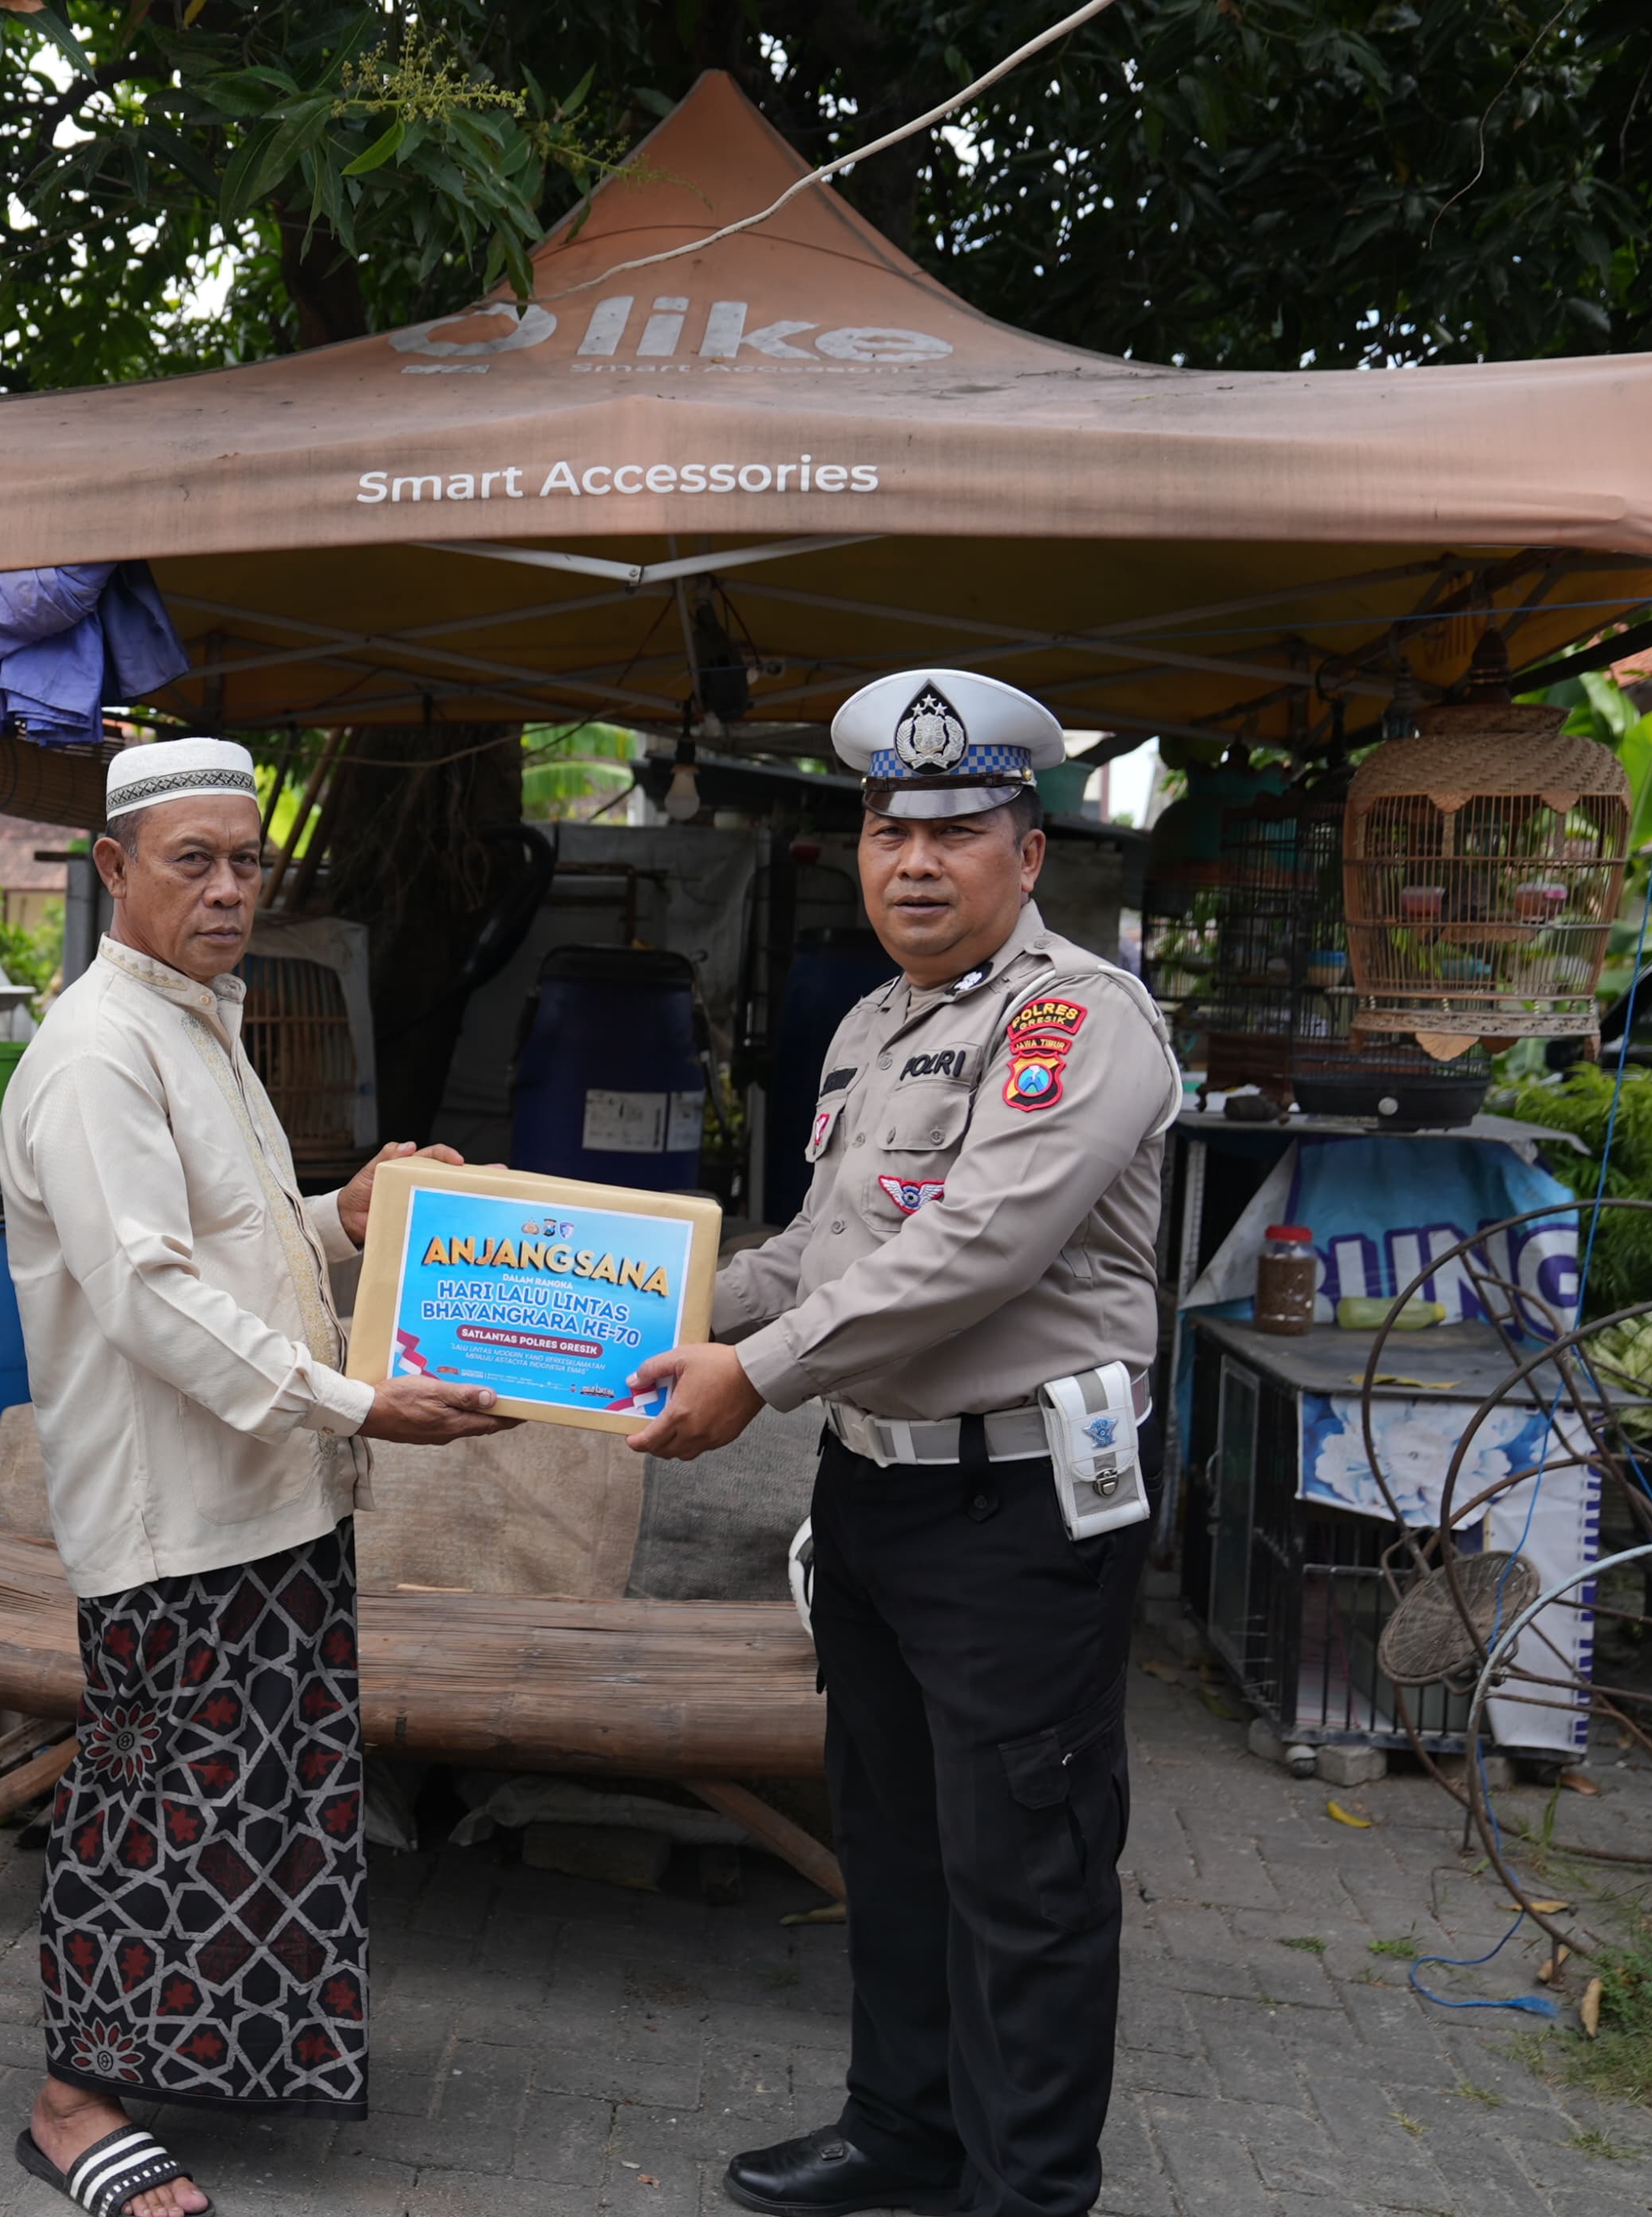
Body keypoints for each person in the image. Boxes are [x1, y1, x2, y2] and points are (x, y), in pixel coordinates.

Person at [623, 670, 1176, 2217]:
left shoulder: (1079, 1023)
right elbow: (820, 1255)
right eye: (886, 830)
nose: (913, 861)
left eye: (954, 830)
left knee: (1028, 1876)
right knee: (896, 1838)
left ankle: (1023, 2192)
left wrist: (755, 1373)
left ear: (1028, 853)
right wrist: (621, 1302)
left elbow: (974, 1253)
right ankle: (903, 2128)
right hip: (874, 1492)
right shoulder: (874, 1026)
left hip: (1019, 1517)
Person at [0, 737, 516, 2217]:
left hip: (264, 1492)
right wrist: (361, 1398)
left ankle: (193, 2054)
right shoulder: (99, 1050)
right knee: (152, 1803)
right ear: (112, 871)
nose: (229, 889)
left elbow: (231, 1240)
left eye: (247, 861)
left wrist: (343, 1214)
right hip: (177, 1515)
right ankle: (69, 2101)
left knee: (253, 1805)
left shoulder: (199, 1025)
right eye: (192, 861)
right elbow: (150, 1291)